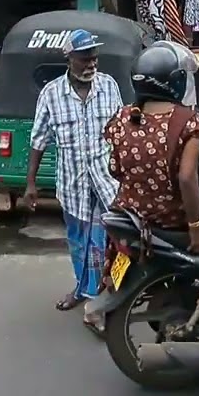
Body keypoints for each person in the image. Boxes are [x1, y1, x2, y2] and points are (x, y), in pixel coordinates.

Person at [24, 29, 123, 332]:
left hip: (106, 183)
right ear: (68, 58)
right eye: (83, 58)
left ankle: (98, 302)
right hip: (73, 185)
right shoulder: (51, 94)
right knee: (78, 243)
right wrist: (30, 184)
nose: (90, 63)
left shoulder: (109, 86)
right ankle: (83, 289)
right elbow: (38, 141)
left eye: (94, 57)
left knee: (103, 243)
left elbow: (120, 133)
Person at [103, 42, 199, 252]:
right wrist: (196, 228)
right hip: (171, 221)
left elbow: (114, 169)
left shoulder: (122, 118)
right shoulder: (187, 121)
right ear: (175, 82)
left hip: (129, 216)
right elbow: (187, 178)